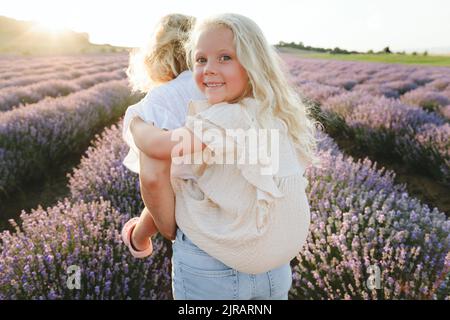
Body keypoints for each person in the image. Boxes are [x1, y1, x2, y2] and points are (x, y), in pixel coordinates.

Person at [123, 13, 319, 300]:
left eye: (225, 57)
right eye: (201, 60)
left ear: (253, 64)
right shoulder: (272, 110)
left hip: (214, 260)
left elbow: (159, 148)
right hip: (275, 267)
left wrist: (136, 123)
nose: (209, 69)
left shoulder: (224, 116)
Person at [121, 13, 203, 258]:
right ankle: (138, 236)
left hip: (199, 237)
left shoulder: (162, 99)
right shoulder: (231, 88)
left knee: (174, 188)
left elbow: (155, 179)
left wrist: (171, 230)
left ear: (158, 54)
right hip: (261, 239)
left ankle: (138, 239)